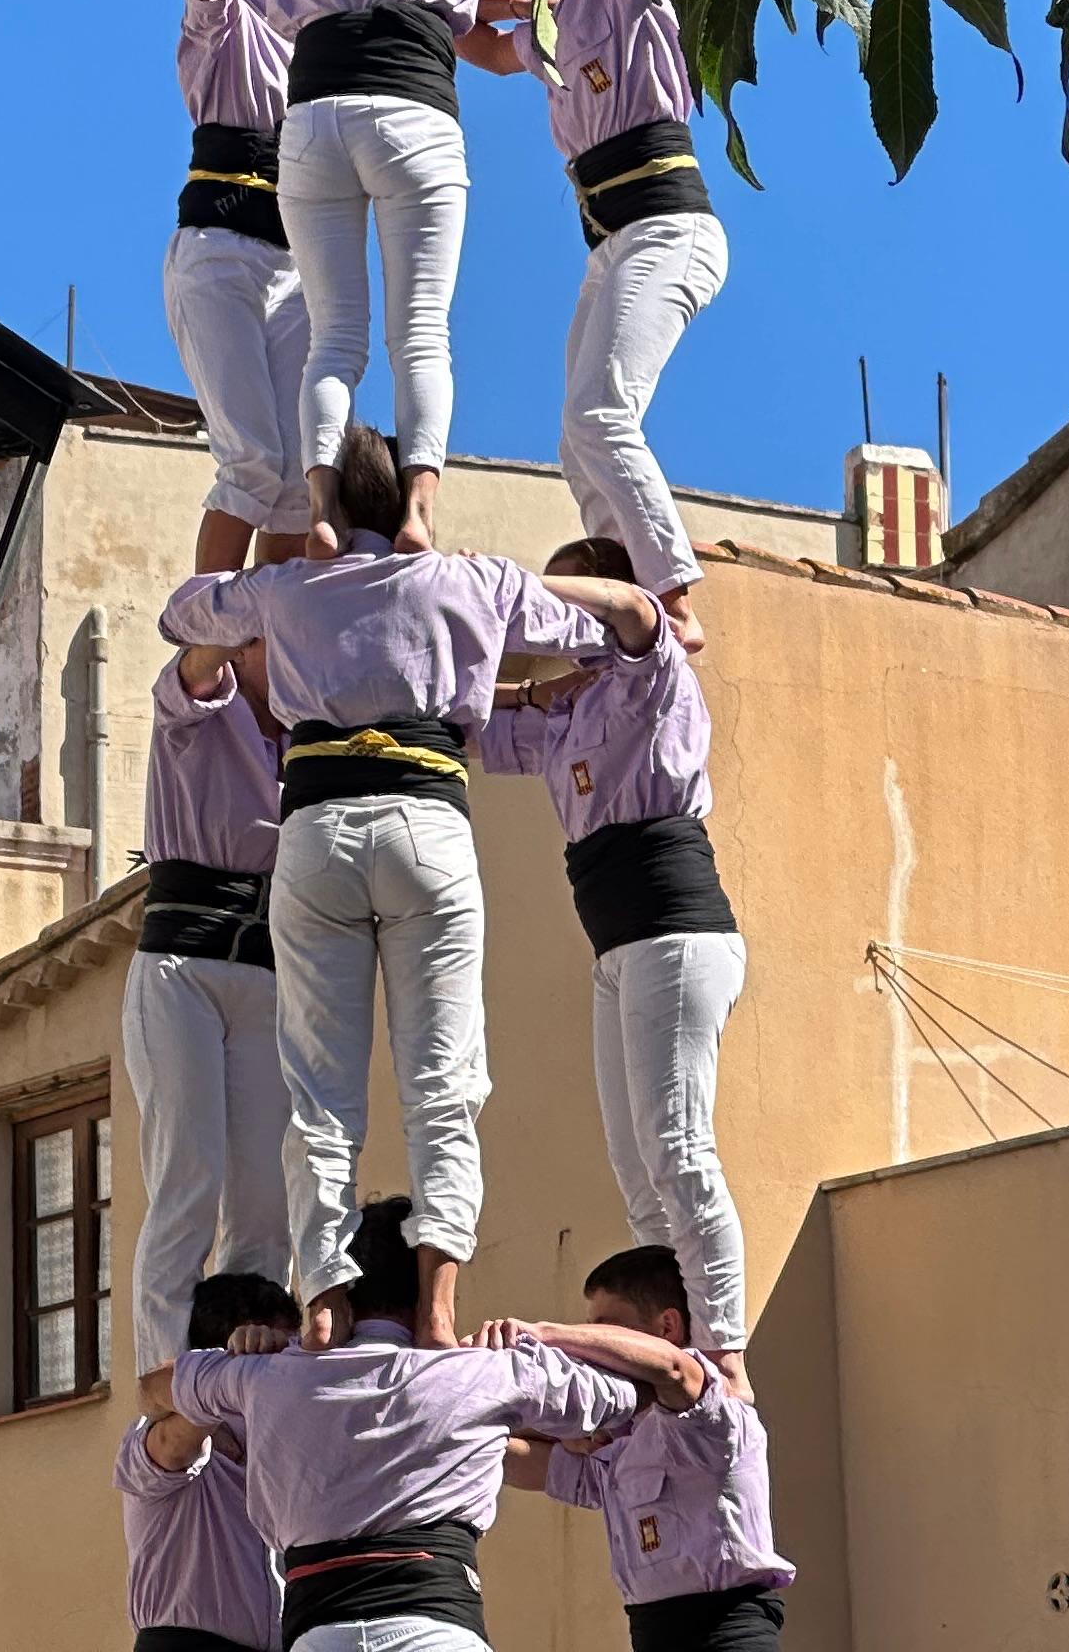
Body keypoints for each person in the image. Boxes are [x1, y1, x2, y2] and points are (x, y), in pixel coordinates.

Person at [159, 428, 669, 1347]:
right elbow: (627, 624)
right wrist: (515, 594)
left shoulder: (288, 588)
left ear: (333, 505)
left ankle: (323, 1300)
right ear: (412, 501)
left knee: (319, 1087)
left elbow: (184, 614)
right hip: (426, 820)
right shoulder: (470, 581)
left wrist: (304, 533)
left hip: (315, 827)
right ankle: (436, 1306)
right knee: (444, 1080)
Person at [180, 0, 566, 555]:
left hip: (314, 117)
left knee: (334, 337)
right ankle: (418, 513)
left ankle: (320, 509)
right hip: (413, 107)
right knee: (420, 331)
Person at [143, 1197, 705, 1652]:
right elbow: (650, 1384)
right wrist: (546, 1336)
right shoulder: (487, 1372)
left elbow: (152, 1389)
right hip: (435, 1630)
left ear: (339, 1289)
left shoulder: (265, 1375)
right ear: (428, 1290)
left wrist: (250, 1356)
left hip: (318, 1636)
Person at [479, 531, 753, 1390]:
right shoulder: (564, 713)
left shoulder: (653, 672)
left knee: (676, 1143)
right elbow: (469, 722)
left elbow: (638, 612)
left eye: (572, 605)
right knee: (635, 1164)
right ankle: (666, 1330)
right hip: (620, 948)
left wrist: (537, 587)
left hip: (675, 931)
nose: (558, 624)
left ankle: (726, 1350)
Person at [462, 0, 727, 647]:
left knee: (602, 414)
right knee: (577, 438)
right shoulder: (550, 28)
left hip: (667, 228)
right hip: (613, 244)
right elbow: (475, 42)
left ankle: (673, 598)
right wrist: (507, 0)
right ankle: (621, 575)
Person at [124, 618, 293, 1377]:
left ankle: (260, 1360)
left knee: (269, 1193)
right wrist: (248, 603)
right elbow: (198, 663)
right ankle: (165, 1372)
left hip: (271, 975)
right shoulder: (199, 709)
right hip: (183, 968)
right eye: (277, 640)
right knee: (187, 1176)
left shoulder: (314, 740)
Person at [503, 1244, 796, 1652]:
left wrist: (547, 1334)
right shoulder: (620, 1446)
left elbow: (674, 1370)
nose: (593, 1345)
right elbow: (510, 1458)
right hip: (652, 1632)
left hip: (726, 1633)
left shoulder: (711, 1417)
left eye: (608, 1328)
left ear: (666, 1327)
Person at [166, 0, 313, 574]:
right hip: (221, 252)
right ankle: (207, 637)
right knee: (251, 461)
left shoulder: (319, 45)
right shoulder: (226, 25)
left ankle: (266, 658)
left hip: (297, 266)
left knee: (302, 484)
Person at [120, 1269, 302, 1652]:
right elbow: (166, 1437)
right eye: (279, 1360)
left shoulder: (286, 1452)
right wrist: (230, 1375)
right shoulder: (175, 1441)